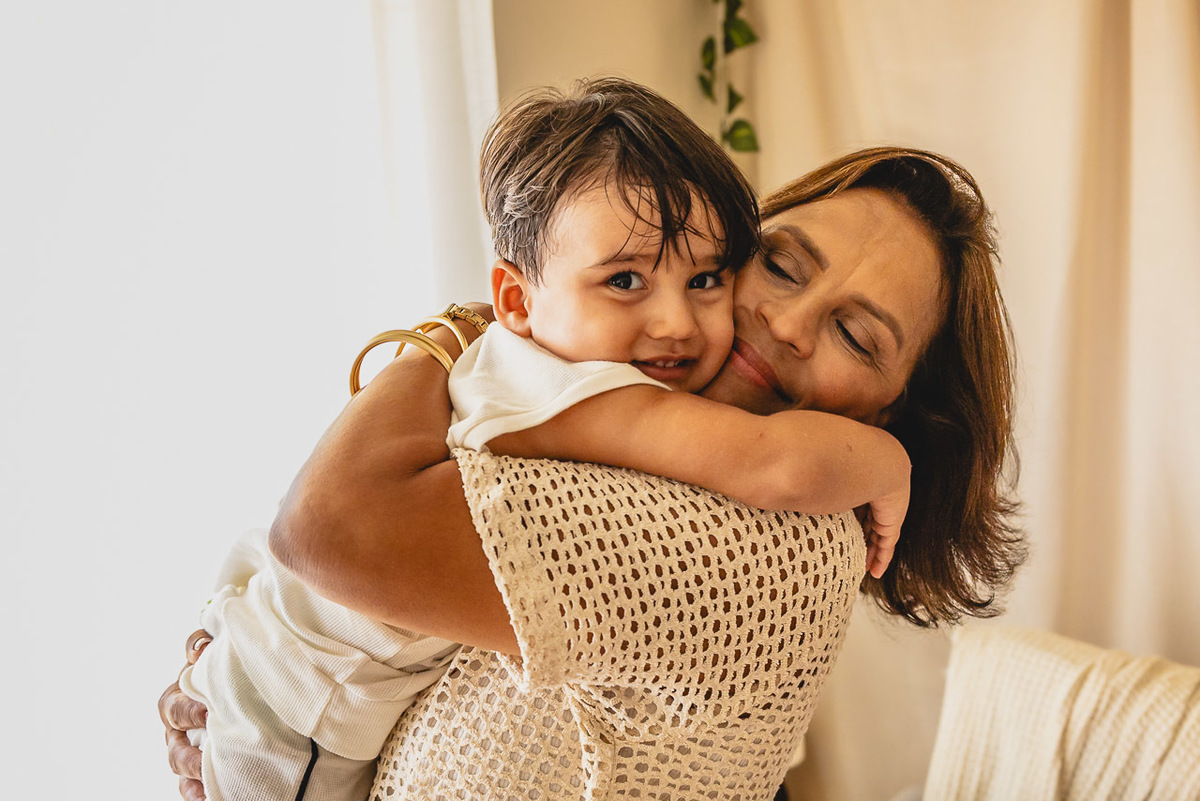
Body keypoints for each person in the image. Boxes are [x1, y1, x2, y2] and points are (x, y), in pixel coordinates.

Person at [170, 78, 915, 801]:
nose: (676, 323)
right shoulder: (585, 393)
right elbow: (769, 461)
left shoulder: (513, 356)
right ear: (517, 301)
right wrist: (889, 463)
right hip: (299, 698)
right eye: (625, 281)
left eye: (703, 280)